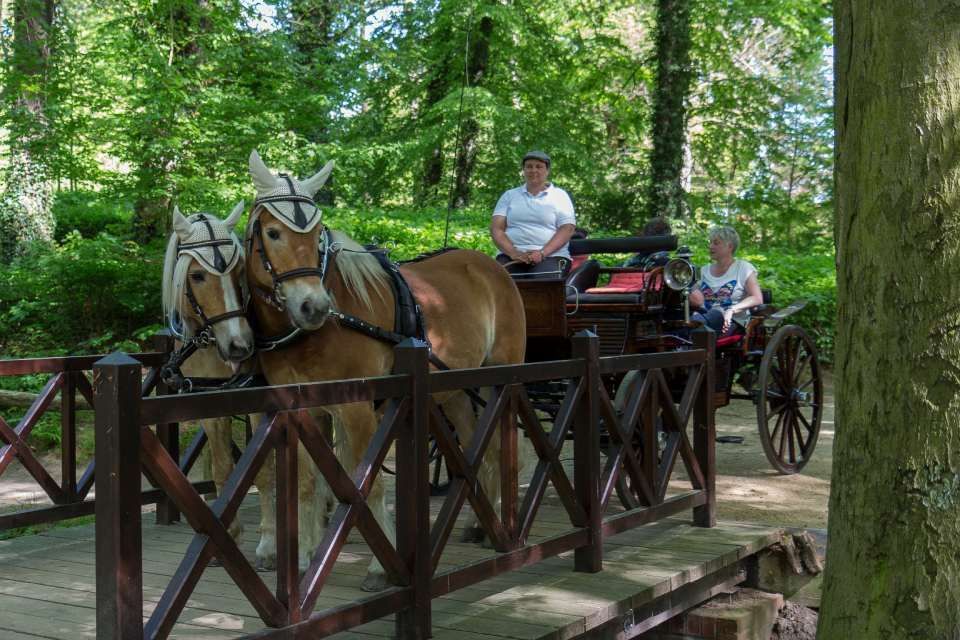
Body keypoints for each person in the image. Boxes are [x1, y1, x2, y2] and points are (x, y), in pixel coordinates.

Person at [490, 150, 576, 278]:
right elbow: (496, 229)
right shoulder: (509, 196)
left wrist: (542, 253)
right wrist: (514, 253)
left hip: (551, 256)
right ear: (523, 170)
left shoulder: (559, 196)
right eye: (529, 166)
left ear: (547, 171)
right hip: (511, 256)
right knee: (503, 286)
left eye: (539, 166)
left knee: (540, 285)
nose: (533, 170)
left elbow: (567, 229)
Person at [689, 225, 762, 335]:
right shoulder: (703, 270)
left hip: (732, 323)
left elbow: (757, 298)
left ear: (730, 246)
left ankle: (691, 328)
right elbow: (695, 299)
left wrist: (731, 310)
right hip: (704, 320)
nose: (710, 246)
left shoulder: (744, 268)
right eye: (710, 242)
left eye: (716, 243)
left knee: (715, 314)